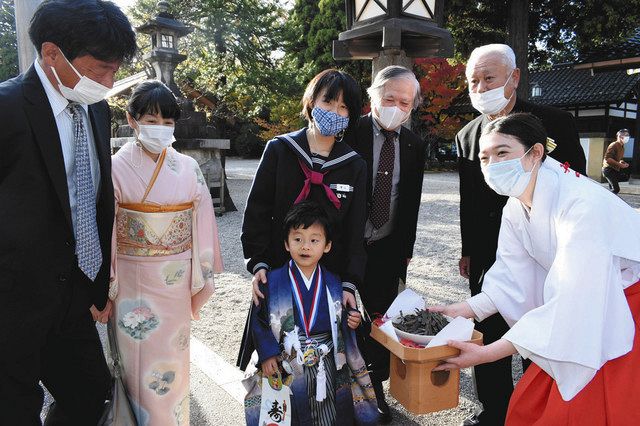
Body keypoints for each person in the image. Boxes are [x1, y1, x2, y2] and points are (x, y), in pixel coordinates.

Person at [432, 112, 640, 425]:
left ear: (536, 152)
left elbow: (575, 298)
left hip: (620, 306)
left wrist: (489, 352)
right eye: (484, 158)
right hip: (582, 303)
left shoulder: (581, 205)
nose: (492, 165)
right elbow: (511, 277)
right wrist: (460, 309)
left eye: (503, 153)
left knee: (579, 406)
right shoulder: (517, 204)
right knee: (534, 404)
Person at [0, 1, 136, 424]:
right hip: (12, 301)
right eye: (99, 70)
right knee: (15, 409)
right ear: (51, 54)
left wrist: (97, 286)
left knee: (90, 397)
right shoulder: (7, 110)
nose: (109, 82)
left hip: (71, 296)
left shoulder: (95, 108)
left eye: (115, 70)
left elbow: (94, 199)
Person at [455, 43, 587, 426]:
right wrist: (468, 249)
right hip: (489, 250)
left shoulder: (553, 123)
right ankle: (495, 412)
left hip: (544, 249)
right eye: (473, 81)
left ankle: (542, 412)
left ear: (513, 77)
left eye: (489, 78)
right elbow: (469, 200)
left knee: (540, 333)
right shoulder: (468, 133)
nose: (480, 88)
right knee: (488, 330)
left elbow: (574, 183)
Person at [105, 80, 223, 425]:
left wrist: (201, 273)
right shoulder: (114, 166)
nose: (161, 129)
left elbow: (202, 223)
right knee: (133, 367)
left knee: (171, 363)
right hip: (129, 280)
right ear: (132, 119)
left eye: (168, 123)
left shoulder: (187, 167)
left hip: (174, 284)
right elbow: (106, 229)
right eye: (152, 121)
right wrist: (107, 285)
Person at [238, 69, 368, 370]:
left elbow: (354, 228)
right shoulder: (280, 150)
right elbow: (257, 210)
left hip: (329, 278)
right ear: (311, 103)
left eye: (344, 106)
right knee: (276, 360)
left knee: (323, 366)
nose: (334, 111)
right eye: (328, 101)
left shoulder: (354, 165)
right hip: (279, 271)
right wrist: (258, 264)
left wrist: (349, 283)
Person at [244, 201, 378, 425]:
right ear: (286, 244)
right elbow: (259, 320)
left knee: (328, 410)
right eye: (298, 239)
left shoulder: (334, 283)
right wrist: (267, 354)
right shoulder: (273, 281)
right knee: (291, 412)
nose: (305, 246)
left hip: (325, 360)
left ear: (327, 246)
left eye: (314, 240)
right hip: (286, 360)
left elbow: (342, 321)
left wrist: (351, 321)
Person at [349, 65, 425, 423]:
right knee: (345, 319)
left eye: (405, 102)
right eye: (389, 98)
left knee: (380, 320)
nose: (397, 107)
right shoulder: (350, 130)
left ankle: (376, 386)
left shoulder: (414, 143)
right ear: (373, 97)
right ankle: (344, 389)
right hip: (346, 245)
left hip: (387, 246)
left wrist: (405, 251)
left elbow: (411, 200)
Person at [602, 128, 631, 194]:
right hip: (608, 169)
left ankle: (609, 202)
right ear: (620, 137)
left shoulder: (622, 147)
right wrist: (620, 165)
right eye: (626, 135)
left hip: (614, 170)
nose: (628, 137)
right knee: (616, 189)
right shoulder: (614, 145)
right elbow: (608, 159)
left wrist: (622, 162)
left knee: (612, 190)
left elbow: (617, 159)